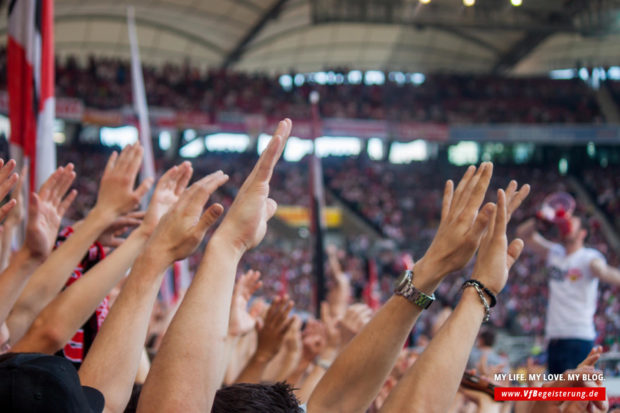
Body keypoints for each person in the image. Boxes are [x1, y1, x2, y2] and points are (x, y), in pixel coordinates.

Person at [517, 213, 620, 374]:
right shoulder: (555, 252)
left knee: (574, 396)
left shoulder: (588, 257)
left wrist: (600, 270)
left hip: (578, 337)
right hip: (554, 338)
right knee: (556, 396)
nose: (565, 226)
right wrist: (540, 218)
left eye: (571, 224)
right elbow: (523, 234)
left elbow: (602, 270)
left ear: (582, 233)